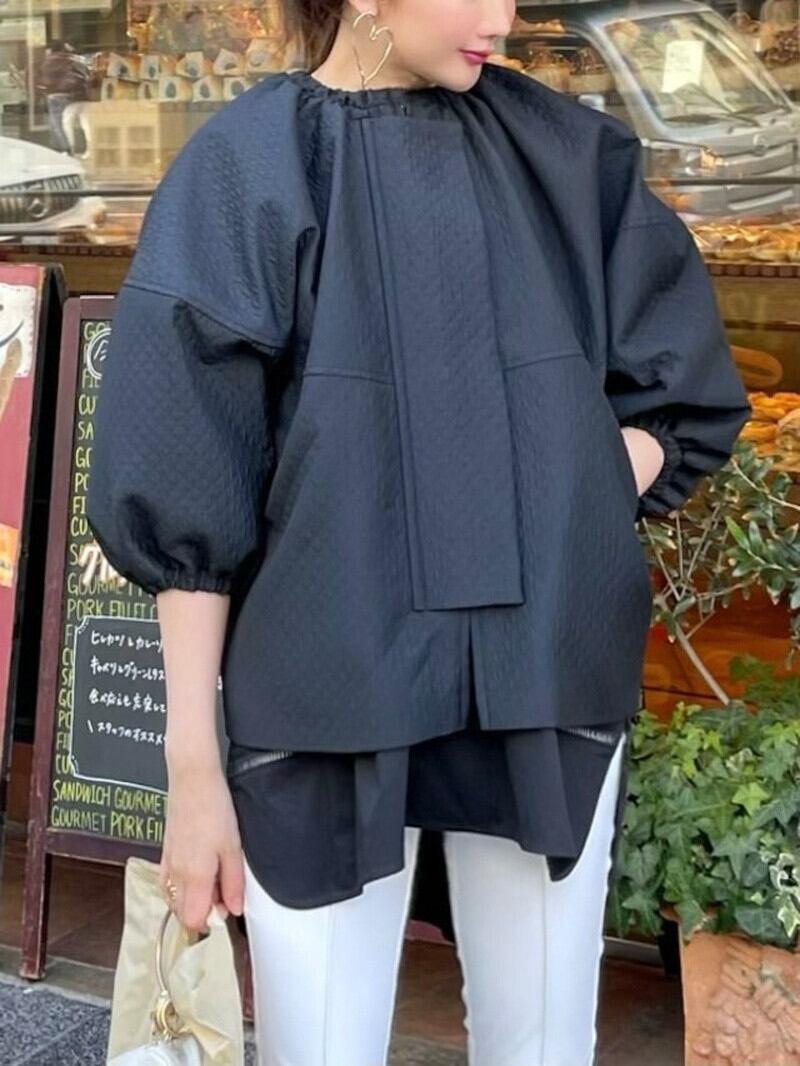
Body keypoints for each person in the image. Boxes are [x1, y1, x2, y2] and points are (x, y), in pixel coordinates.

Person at [86, 2, 752, 1064]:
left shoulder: (569, 158)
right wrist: (192, 770)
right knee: (317, 1046)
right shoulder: (247, 169)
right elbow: (186, 479)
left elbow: (677, 399)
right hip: (320, 691)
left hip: (541, 675)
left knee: (542, 1045)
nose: (504, 16)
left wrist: (573, 486)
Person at [39, 39, 89, 153]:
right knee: (73, 123)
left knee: (56, 123)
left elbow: (43, 79)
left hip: (54, 95)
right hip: (73, 95)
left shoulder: (47, 62)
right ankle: (74, 147)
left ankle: (63, 149)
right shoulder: (74, 60)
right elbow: (86, 76)